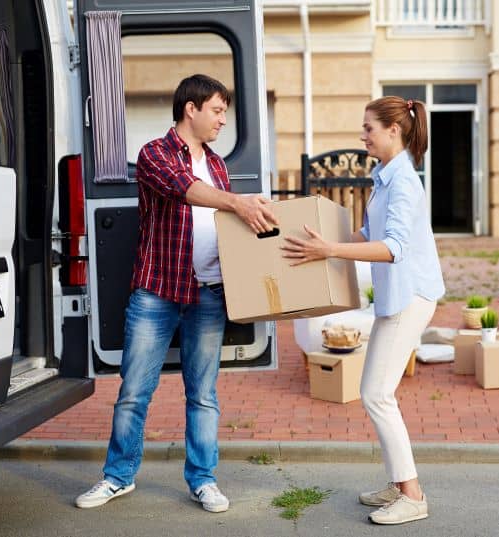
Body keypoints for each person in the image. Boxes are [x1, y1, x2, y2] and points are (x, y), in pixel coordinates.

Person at [76, 74, 278, 512]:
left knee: (203, 394)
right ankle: (117, 477)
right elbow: (184, 189)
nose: (223, 120)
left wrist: (255, 212)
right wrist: (237, 202)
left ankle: (203, 480)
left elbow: (227, 221)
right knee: (134, 391)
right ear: (192, 108)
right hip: (157, 293)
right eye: (218, 110)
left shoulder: (219, 164)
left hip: (208, 295)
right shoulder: (154, 154)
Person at [281, 96, 444, 525]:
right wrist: (321, 242)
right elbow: (367, 234)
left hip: (412, 298)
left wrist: (330, 248)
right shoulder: (385, 177)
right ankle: (398, 483)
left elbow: (392, 248)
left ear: (394, 130)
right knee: (376, 392)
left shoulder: (405, 182)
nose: (362, 135)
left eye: (369, 128)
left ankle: (412, 496)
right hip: (398, 297)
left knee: (375, 393)